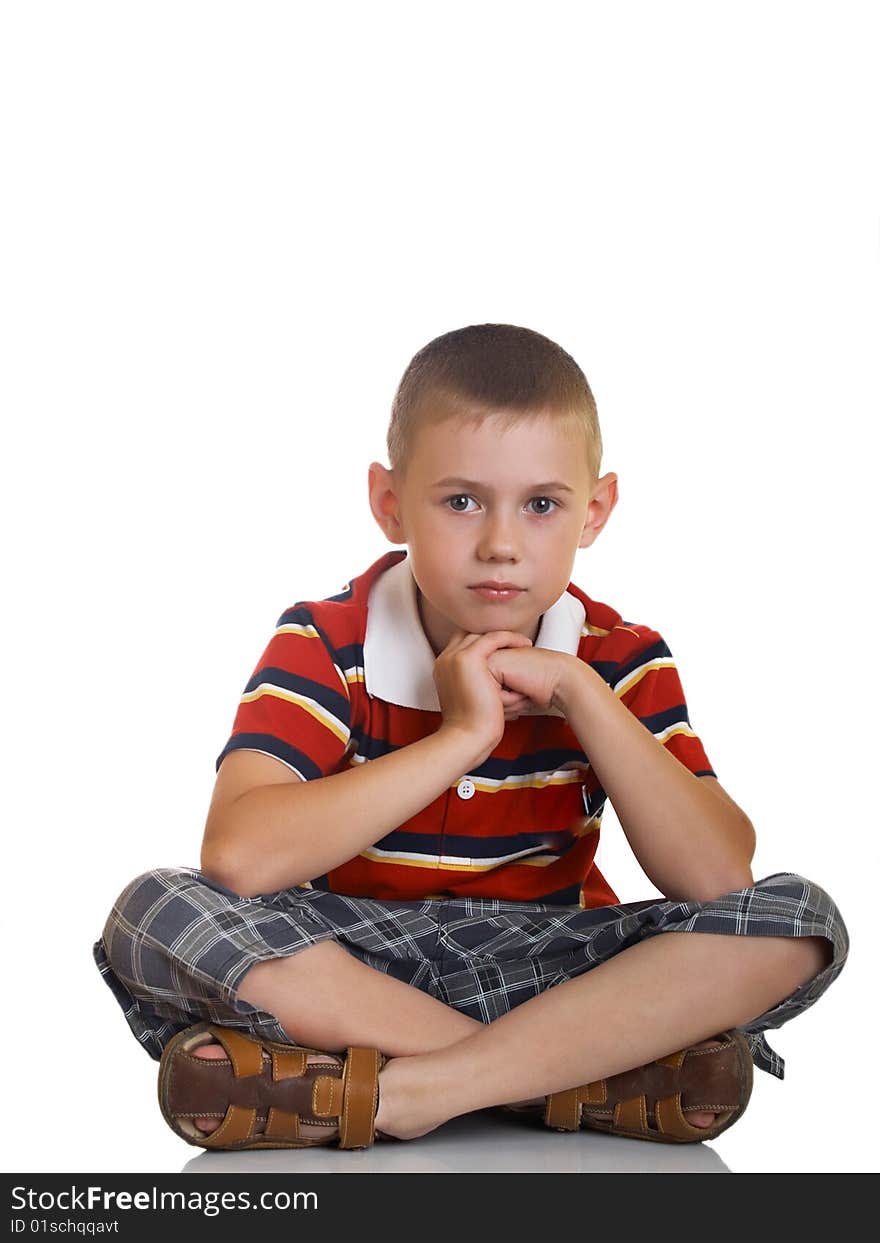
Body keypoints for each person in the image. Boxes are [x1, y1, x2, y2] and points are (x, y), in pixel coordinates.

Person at [93, 323, 849, 1151]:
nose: (499, 543)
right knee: (154, 909)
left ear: (593, 511)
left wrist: (580, 695)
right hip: (356, 960)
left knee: (798, 919)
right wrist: (459, 736)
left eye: (541, 505)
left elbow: (715, 876)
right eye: (460, 501)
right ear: (390, 503)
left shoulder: (619, 658)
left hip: (557, 966)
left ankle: (397, 1085)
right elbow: (239, 858)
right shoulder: (326, 642)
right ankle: (578, 1079)